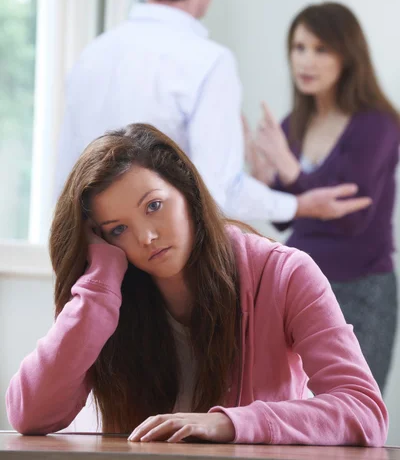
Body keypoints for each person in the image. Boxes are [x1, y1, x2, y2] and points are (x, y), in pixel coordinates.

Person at [6, 123, 387, 445]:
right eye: (119, 229)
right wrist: (100, 286)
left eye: (153, 206)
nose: (147, 237)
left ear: (186, 190)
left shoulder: (284, 273)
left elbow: (364, 408)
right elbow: (30, 414)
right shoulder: (105, 294)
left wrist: (232, 422)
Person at [56, 0, 371, 225]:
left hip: (86, 255)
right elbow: (218, 193)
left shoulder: (91, 55)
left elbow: (67, 176)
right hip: (157, 256)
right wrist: (297, 205)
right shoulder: (208, 62)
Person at [246, 2, 400, 392]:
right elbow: (286, 217)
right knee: (291, 407)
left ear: (348, 56)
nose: (306, 61)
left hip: (361, 287)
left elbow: (352, 217)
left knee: (352, 410)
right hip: (298, 283)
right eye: (298, 48)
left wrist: (290, 169)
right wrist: (265, 177)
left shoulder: (378, 124)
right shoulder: (292, 124)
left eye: (320, 49)